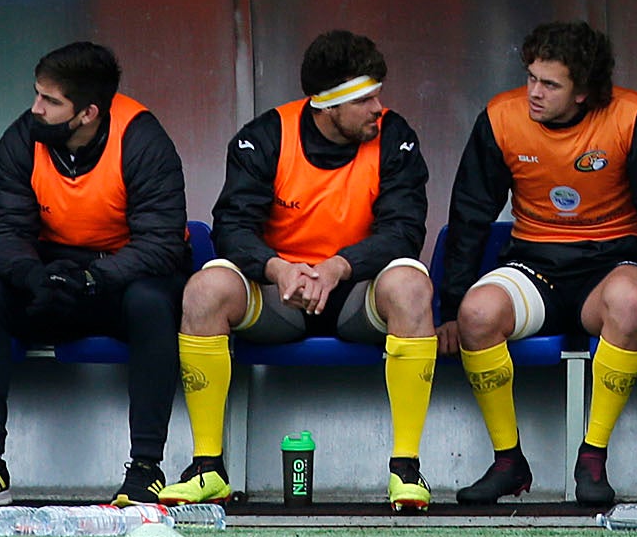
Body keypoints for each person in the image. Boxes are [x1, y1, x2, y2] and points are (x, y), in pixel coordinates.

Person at [164, 30, 436, 510]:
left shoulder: (395, 136)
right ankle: (207, 469)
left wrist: (338, 266)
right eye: (366, 99)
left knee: (412, 284)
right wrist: (278, 269)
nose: (379, 108)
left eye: (379, 95)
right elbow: (231, 227)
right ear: (328, 106)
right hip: (279, 297)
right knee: (205, 289)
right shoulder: (266, 136)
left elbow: (404, 230)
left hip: (357, 295)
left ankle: (406, 471)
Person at [441, 20, 637, 507]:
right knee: (478, 314)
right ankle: (507, 462)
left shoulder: (632, 117)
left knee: (629, 300)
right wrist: (452, 307)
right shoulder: (501, 117)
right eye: (531, 78)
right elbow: (469, 216)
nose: (534, 93)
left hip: (614, 261)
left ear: (583, 92)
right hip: (534, 263)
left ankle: (593, 455)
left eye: (550, 84)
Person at [0, 41, 189, 508]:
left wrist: (94, 277)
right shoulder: (23, 137)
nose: (35, 108)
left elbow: (161, 244)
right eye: (37, 95)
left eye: (50, 101)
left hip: (123, 281)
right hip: (53, 279)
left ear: (87, 114)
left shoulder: (142, 139)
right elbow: (2, 232)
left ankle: (145, 469)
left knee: (152, 304)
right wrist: (34, 277)